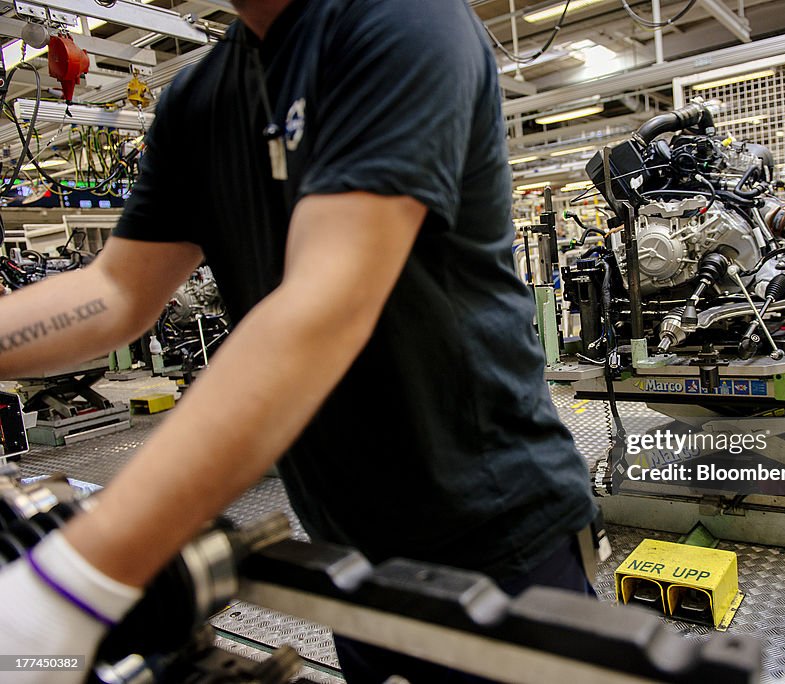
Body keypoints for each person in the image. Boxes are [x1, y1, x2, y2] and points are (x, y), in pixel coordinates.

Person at [0, 1, 598, 681]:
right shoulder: (197, 98)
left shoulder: (400, 20)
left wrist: (77, 579)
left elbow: (327, 306)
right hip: (349, 550)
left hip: (499, 542)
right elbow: (117, 292)